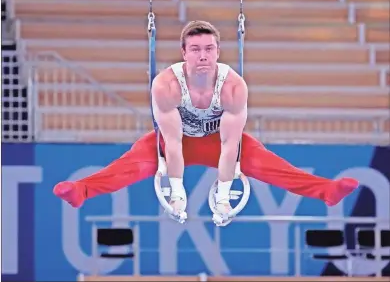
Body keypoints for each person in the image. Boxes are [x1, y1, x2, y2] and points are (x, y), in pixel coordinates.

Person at [53, 20, 359, 216]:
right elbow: (172, 142)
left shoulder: (234, 87)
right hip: (176, 141)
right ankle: (81, 191)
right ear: (184, 52)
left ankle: (327, 191)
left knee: (268, 164)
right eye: (196, 49)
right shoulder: (166, 85)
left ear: (218, 51)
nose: (203, 55)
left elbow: (230, 147)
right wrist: (177, 193)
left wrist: (224, 199)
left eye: (209, 49)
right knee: (133, 164)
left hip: (219, 142)